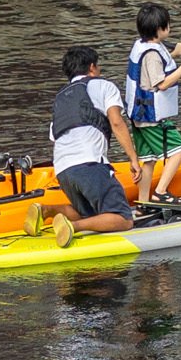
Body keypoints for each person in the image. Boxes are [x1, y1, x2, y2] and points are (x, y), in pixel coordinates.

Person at [45, 45, 140, 234]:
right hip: (89, 163)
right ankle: (72, 227)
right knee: (124, 219)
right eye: (98, 66)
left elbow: (54, 136)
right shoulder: (104, 86)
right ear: (91, 67)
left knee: (89, 215)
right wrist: (133, 159)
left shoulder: (61, 97)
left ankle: (46, 210)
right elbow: (116, 122)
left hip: (63, 168)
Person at [125, 3, 181, 200]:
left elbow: (157, 63)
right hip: (151, 118)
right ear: (160, 29)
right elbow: (162, 83)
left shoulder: (143, 45)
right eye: (167, 25)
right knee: (180, 150)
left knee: (149, 160)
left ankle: (143, 203)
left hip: (138, 116)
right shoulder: (152, 54)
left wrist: (175, 53)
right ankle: (159, 193)